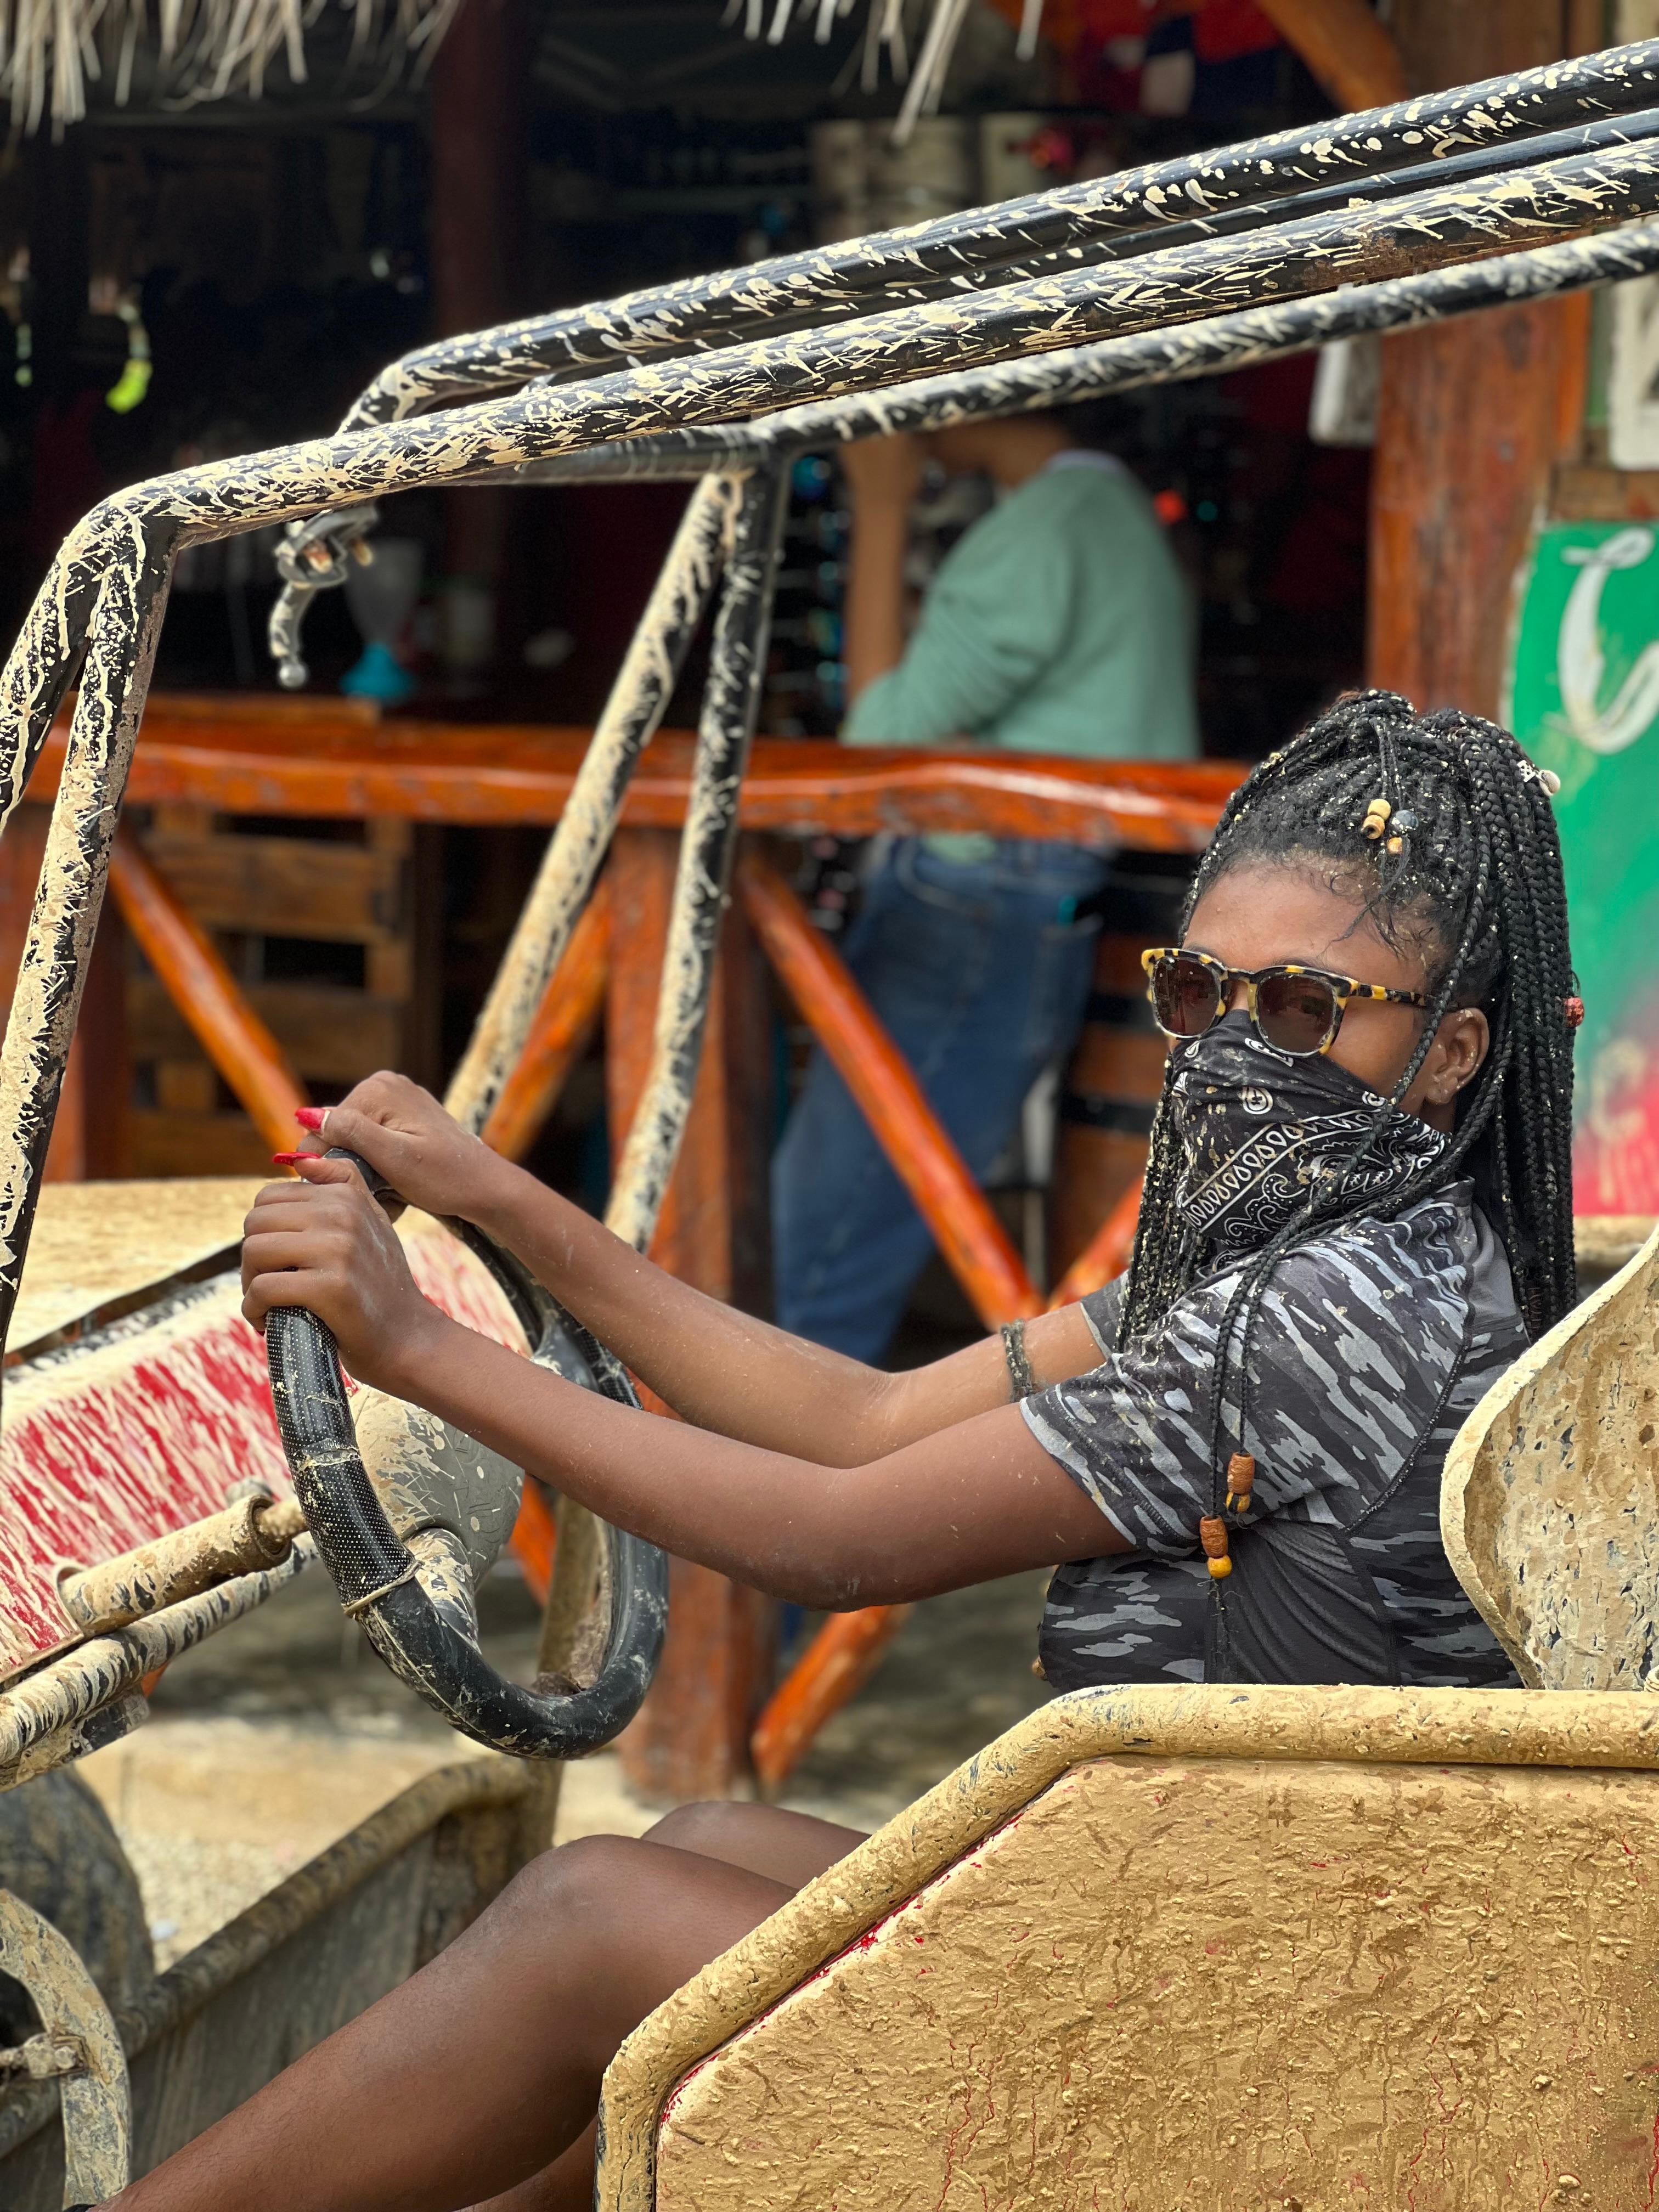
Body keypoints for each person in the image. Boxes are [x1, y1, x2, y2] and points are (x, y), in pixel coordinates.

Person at [91, 693, 1577, 2212]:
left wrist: (417, 1351)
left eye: (1308, 1012)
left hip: (1229, 2034)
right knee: (706, 1837)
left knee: (596, 1915)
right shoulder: (1322, 1255)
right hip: (1199, 1923)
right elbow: (859, 1419)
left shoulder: (1308, 1316)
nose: (1234, 1055)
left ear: (1453, 1050)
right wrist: (499, 1199)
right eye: (1202, 994)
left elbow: (831, 1537)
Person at [772, 407, 1199, 1361]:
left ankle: (784, 1488)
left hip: (970, 906)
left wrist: (878, 506)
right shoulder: (1109, 512)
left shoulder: (1040, 532)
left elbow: (878, 748)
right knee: (888, 1210)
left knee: (830, 1236)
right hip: (1036, 903)